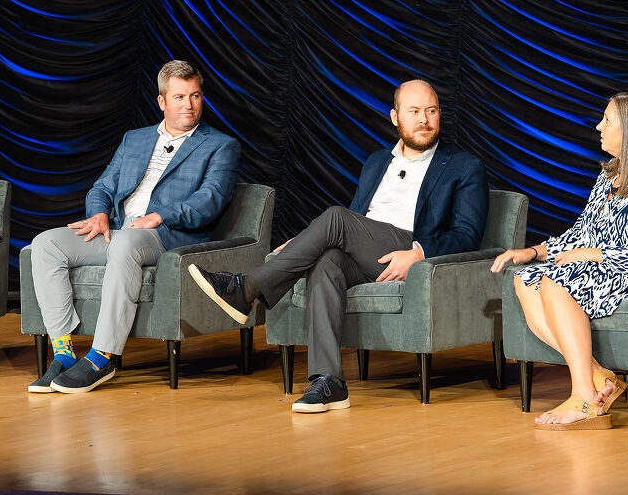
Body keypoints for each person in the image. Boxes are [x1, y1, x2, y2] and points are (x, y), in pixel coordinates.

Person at [189, 79, 488, 413]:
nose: (424, 119)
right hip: (366, 252)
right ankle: (329, 382)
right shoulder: (377, 162)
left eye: (431, 111)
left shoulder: (463, 165)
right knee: (327, 260)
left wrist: (419, 252)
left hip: (408, 249)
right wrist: (307, 242)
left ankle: (247, 288)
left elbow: (467, 234)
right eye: (414, 111)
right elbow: (355, 221)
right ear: (395, 117)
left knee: (334, 218)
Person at [27, 60, 240, 394]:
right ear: (162, 101)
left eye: (195, 96)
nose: (189, 104)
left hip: (167, 236)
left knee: (126, 243)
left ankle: (103, 356)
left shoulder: (220, 145)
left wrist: (162, 215)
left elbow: (210, 201)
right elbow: (102, 187)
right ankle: (64, 355)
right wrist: (98, 213)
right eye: (180, 96)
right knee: (45, 244)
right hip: (118, 230)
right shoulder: (135, 139)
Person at [490, 91, 628, 431]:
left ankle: (585, 396)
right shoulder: (608, 178)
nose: (599, 126)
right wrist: (534, 252)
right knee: (523, 278)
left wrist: (595, 254)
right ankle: (600, 377)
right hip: (607, 270)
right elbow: (581, 235)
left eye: (608, 120)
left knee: (555, 283)